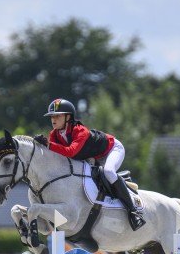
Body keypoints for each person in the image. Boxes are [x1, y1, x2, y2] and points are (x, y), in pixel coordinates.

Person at [34, 98, 146, 231]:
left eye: (58, 115)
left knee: (108, 172)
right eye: (52, 116)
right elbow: (56, 157)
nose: (54, 119)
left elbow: (71, 152)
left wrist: (48, 145)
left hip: (111, 149)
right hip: (92, 156)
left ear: (68, 117)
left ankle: (133, 212)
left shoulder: (80, 131)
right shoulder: (55, 134)